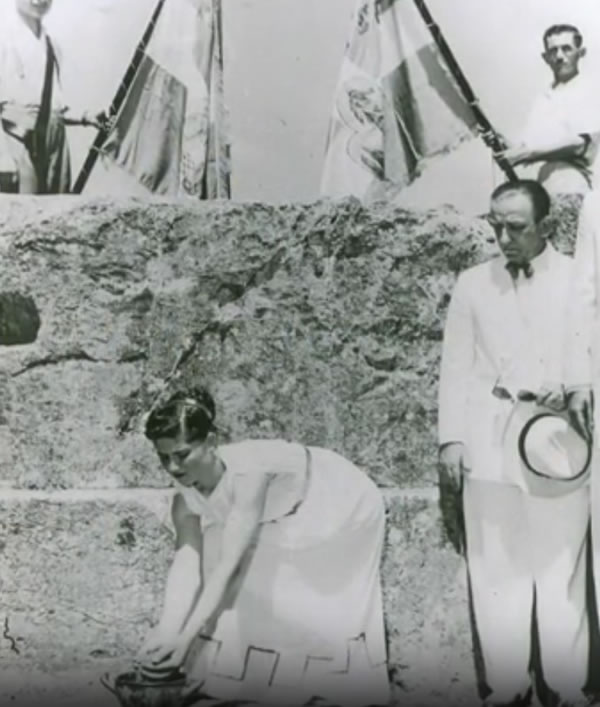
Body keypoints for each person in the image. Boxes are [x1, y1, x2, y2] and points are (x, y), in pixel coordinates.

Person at [135, 386, 390, 707]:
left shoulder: (248, 475)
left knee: (310, 597)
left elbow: (229, 565)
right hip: (279, 513)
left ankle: (325, 685)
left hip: (336, 504)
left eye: (182, 454)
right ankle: (248, 684)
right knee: (214, 549)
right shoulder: (183, 500)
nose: (173, 467)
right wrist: (168, 631)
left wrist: (185, 640)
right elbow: (187, 561)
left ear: (211, 442)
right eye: (164, 457)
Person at [438, 179, 590, 706]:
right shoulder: (473, 284)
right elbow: (456, 365)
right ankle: (507, 690)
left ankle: (567, 689)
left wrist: (574, 383)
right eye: (495, 225)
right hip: (488, 440)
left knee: (560, 568)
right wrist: (451, 439)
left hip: (557, 443)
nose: (503, 238)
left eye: (516, 227)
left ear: (546, 225)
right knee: (496, 569)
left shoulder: (578, 280)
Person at [0, 0, 105, 194]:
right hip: (17, 140)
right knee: (25, 206)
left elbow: (53, 107)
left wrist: (85, 117)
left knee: (56, 207)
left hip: (54, 140)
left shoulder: (51, 45)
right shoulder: (5, 38)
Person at [497, 25, 600, 195]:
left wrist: (527, 154)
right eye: (553, 51)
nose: (559, 56)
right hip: (537, 186)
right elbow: (531, 146)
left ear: (581, 53)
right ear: (545, 58)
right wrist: (502, 142)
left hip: (568, 183)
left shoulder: (590, 90)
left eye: (566, 49)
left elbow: (581, 145)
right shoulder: (543, 97)